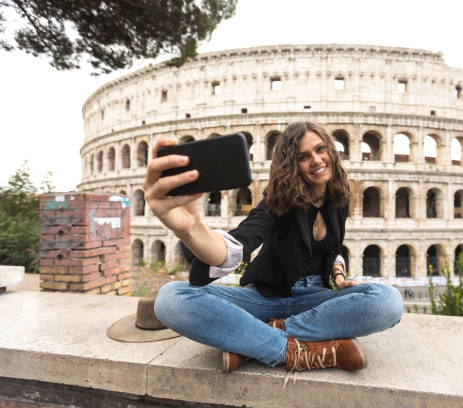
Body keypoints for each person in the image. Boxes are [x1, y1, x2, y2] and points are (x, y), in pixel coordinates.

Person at [144, 121, 403, 375]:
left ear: (331, 152)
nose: (316, 159)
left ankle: (254, 340)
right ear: (292, 165)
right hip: (264, 298)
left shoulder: (339, 200)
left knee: (388, 301)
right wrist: (190, 228)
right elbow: (239, 245)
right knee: (171, 299)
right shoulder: (277, 199)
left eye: (320, 149)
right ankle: (295, 351)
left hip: (316, 299)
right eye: (303, 156)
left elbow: (332, 249)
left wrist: (338, 277)